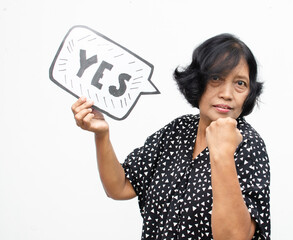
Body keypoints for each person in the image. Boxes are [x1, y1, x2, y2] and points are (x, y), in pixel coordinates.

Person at [71, 33, 270, 240]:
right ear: (197, 81)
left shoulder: (248, 145)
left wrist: (223, 155)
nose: (227, 94)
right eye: (216, 78)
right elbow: (119, 187)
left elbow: (235, 237)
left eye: (240, 83)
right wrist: (102, 134)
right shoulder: (178, 131)